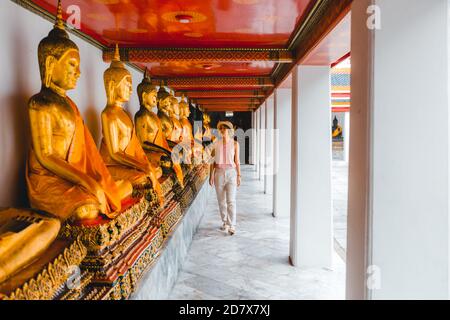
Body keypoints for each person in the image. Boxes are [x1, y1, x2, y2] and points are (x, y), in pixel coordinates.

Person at [209, 121, 241, 235]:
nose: (222, 130)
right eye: (221, 128)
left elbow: (237, 161)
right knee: (221, 201)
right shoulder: (215, 143)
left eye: (225, 128)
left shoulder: (235, 144)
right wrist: (210, 176)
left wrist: (239, 175)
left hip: (231, 173)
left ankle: (232, 225)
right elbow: (212, 161)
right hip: (218, 173)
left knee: (231, 200)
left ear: (230, 131)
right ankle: (225, 222)